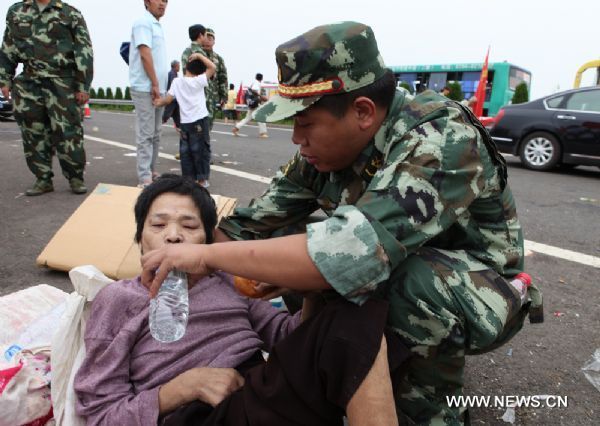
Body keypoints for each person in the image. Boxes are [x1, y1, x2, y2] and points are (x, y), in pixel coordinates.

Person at [141, 21, 543, 425]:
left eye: (305, 122)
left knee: (387, 278)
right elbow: (249, 227)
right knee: (283, 248)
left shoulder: (440, 139)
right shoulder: (321, 153)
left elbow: (347, 256)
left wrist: (208, 258)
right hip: (393, 262)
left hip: (476, 288)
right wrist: (165, 268)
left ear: (363, 112)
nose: (296, 138)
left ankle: (430, 407)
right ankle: (342, 374)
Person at [74, 174, 398, 426]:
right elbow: (101, 414)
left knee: (351, 315)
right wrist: (183, 388)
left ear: (206, 242)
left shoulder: (228, 281)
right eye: (158, 224)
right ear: (139, 240)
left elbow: (291, 338)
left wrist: (310, 290)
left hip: (259, 393)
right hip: (201, 416)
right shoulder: (119, 298)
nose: (173, 235)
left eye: (189, 226)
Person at [0, 0, 93, 196]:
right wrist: (4, 79)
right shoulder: (17, 12)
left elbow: (83, 50)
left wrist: (83, 84)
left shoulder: (70, 14)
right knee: (33, 132)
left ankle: (75, 177)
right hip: (29, 82)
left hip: (63, 82)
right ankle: (42, 178)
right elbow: (8, 47)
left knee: (68, 132)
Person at [154, 54, 216, 188]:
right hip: (199, 121)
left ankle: (188, 180)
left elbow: (168, 100)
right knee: (201, 151)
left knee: (186, 152)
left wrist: (158, 102)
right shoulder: (198, 81)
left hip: (185, 123)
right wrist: (199, 55)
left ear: (186, 68)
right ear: (199, 72)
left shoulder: (177, 81)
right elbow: (212, 67)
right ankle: (202, 180)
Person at [129, 0, 169, 188]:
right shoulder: (143, 23)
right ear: (146, 2)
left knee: (155, 133)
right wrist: (154, 83)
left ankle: (151, 170)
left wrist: (160, 86)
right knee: (146, 133)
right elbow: (145, 54)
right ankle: (144, 176)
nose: (163, 3)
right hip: (146, 87)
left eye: (166, 0)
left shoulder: (156, 24)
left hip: (158, 88)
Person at [201, 28, 228, 130]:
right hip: (197, 96)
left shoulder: (218, 59)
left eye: (210, 38)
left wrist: (223, 96)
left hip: (212, 96)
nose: (207, 40)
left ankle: (205, 144)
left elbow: (223, 78)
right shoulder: (196, 55)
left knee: (208, 124)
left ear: (214, 41)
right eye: (205, 37)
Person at [232, 73, 268, 138]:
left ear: (255, 77)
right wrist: (261, 97)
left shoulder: (253, 83)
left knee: (247, 118)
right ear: (262, 78)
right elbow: (254, 90)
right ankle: (263, 133)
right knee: (261, 117)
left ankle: (236, 128)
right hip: (255, 104)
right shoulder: (257, 83)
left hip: (252, 103)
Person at [162, 59, 181, 129]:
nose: (179, 67)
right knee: (167, 114)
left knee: (177, 114)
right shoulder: (172, 74)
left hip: (175, 98)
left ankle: (179, 127)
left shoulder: (174, 73)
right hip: (172, 98)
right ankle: (156, 125)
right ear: (175, 66)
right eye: (179, 66)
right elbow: (173, 87)